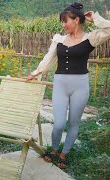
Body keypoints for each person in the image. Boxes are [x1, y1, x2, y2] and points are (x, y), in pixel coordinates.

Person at [27, 2, 110, 168]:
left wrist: (95, 18)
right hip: (60, 84)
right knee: (58, 124)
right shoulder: (59, 39)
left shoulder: (91, 38)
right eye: (62, 21)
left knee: (73, 123)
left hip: (80, 85)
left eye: (65, 21)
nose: (63, 25)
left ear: (76, 21)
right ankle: (55, 149)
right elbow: (49, 57)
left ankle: (64, 153)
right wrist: (37, 72)